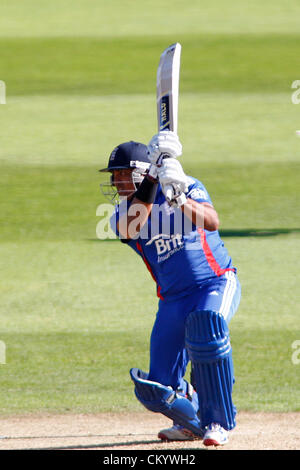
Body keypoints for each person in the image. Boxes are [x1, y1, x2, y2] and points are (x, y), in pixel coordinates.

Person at [99, 132, 241, 447]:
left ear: (138, 172)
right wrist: (153, 176)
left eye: (124, 174)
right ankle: (193, 423)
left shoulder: (186, 184)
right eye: (115, 176)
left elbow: (212, 221)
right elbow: (133, 226)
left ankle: (218, 422)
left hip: (214, 283)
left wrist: (180, 198)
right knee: (158, 389)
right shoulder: (121, 215)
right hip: (173, 300)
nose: (118, 182)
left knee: (207, 329)